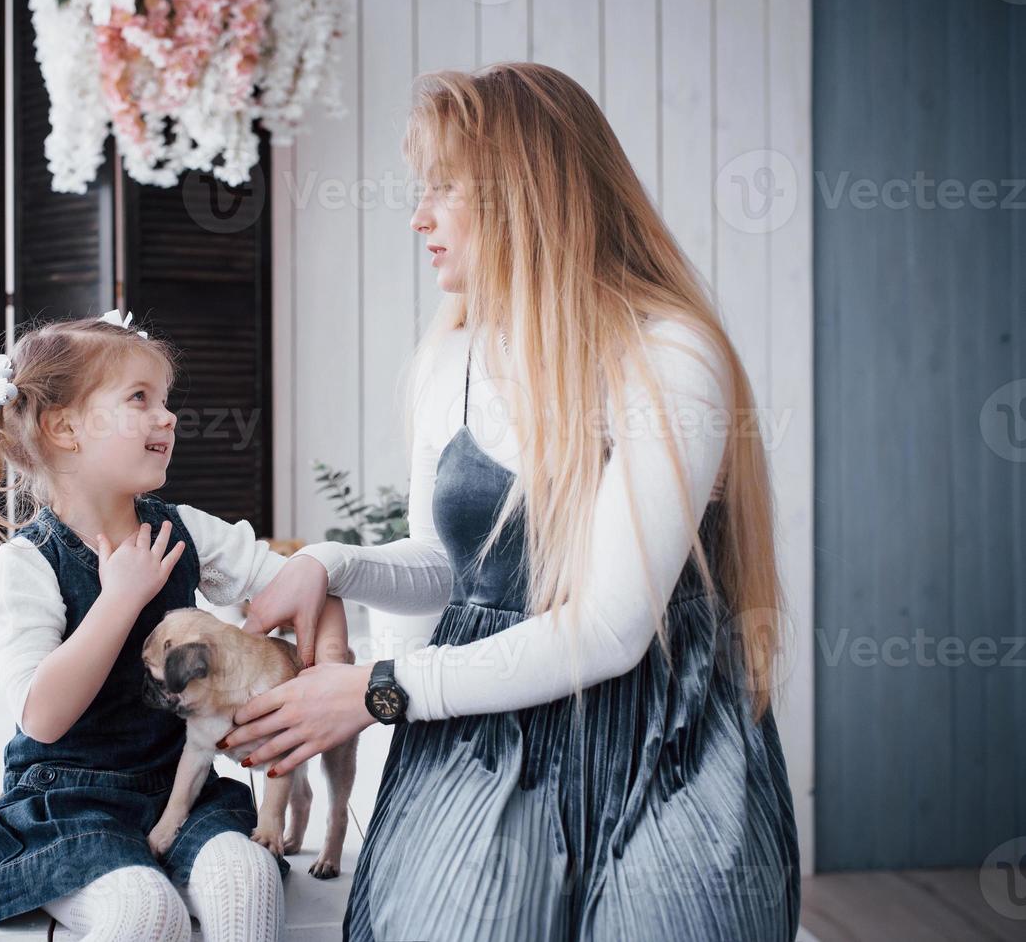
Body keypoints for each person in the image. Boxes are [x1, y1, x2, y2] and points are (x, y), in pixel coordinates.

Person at [218, 63, 802, 941]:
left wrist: (376, 692)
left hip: (657, 738)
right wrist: (329, 564)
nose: (419, 218)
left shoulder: (671, 356)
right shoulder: (450, 357)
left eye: (444, 188)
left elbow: (608, 630)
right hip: (483, 731)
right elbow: (445, 572)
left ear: (528, 191)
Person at [0, 311, 347, 941]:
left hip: (180, 786)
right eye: (140, 398)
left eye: (165, 401)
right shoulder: (28, 563)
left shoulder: (182, 528)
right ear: (64, 427)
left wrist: (326, 663)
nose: (167, 417)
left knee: (248, 880)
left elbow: (305, 580)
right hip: (71, 803)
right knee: (147, 913)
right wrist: (119, 600)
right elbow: (41, 716)